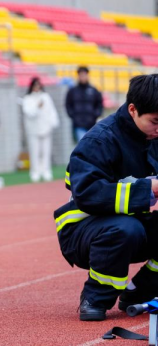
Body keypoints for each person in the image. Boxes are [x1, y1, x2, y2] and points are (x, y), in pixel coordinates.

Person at [54, 74, 157, 322]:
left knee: (129, 227)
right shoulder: (100, 139)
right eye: (155, 121)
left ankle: (140, 293)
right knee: (125, 229)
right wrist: (149, 188)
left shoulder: (152, 136)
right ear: (132, 110)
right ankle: (95, 298)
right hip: (82, 229)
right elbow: (87, 193)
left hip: (129, 222)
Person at [21, 77, 59, 182]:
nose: (37, 87)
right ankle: (35, 172)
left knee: (46, 151)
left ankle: (46, 171)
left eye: (38, 85)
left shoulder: (46, 97)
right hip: (33, 130)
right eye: (35, 85)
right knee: (35, 152)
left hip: (46, 128)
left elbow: (52, 111)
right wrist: (37, 107)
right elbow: (29, 113)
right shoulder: (27, 98)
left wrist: (53, 123)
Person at [65, 66, 103, 143]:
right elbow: (68, 104)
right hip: (78, 124)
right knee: (83, 144)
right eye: (81, 75)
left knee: (91, 145)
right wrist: (73, 116)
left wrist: (95, 114)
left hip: (91, 124)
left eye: (84, 75)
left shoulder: (93, 90)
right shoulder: (73, 91)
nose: (83, 77)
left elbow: (99, 104)